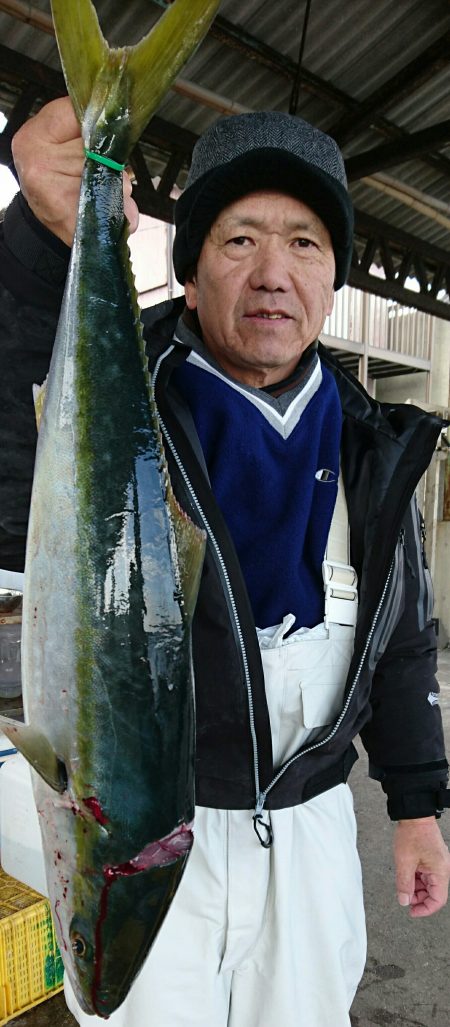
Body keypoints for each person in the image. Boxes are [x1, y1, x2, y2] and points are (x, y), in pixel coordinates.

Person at [1, 98, 450, 1027]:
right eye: (240, 239)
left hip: (316, 832)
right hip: (153, 832)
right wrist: (46, 248)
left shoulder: (375, 450)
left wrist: (415, 805)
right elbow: (19, 458)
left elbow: (403, 644)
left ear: (333, 279)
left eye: (305, 243)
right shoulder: (131, 403)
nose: (274, 273)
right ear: (193, 270)